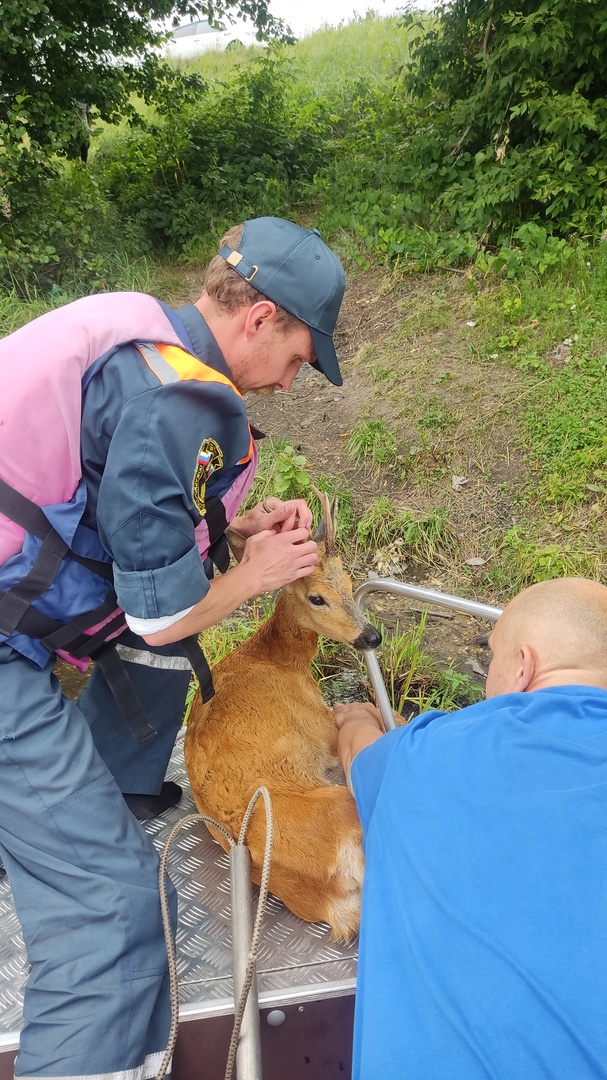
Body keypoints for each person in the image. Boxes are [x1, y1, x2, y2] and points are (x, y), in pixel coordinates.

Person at [0, 216, 346, 1080]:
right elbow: (157, 620)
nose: (293, 380)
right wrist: (258, 576)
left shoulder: (136, 336)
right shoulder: (177, 397)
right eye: (301, 356)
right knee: (111, 915)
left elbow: (116, 518)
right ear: (260, 317)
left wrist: (235, 530)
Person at [335, 577, 607, 1080]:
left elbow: (358, 757)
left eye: (494, 656)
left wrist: (357, 717)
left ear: (522, 667)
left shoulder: (419, 757)